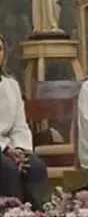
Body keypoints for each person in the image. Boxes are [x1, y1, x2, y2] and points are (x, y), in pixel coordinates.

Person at [0, 32, 49, 208]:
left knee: (35, 166)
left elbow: (20, 125)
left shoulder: (11, 85)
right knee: (8, 169)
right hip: (2, 148)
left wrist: (20, 149)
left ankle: (39, 211)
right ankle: (11, 211)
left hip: (11, 145)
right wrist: (5, 150)